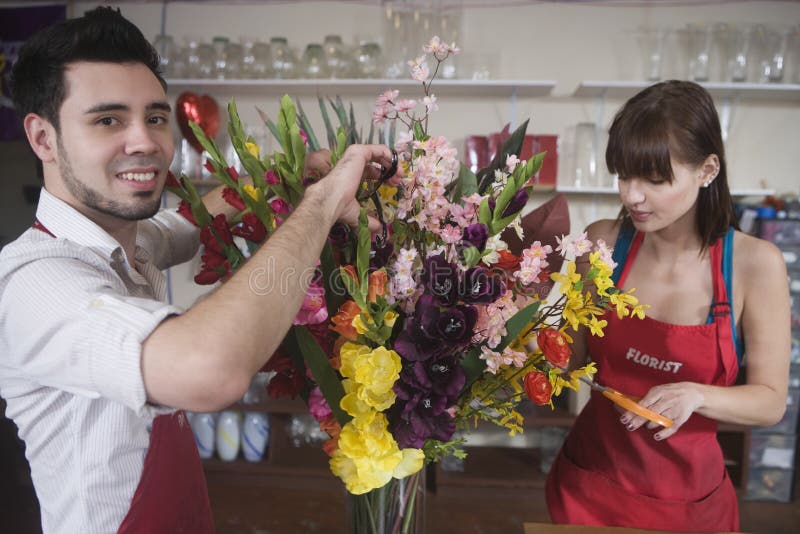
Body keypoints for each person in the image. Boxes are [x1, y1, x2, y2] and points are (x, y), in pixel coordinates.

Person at [0, 7, 394, 533]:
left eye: (156, 118)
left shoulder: (131, 240)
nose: (145, 142)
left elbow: (194, 218)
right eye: (108, 119)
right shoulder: (34, 282)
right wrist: (321, 205)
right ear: (43, 138)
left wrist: (292, 174)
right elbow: (208, 369)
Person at [545, 80, 791, 531]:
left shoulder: (756, 266)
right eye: (623, 175)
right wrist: (519, 324)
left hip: (691, 507)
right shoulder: (602, 244)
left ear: (707, 169)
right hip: (589, 489)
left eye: (655, 180)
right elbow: (571, 361)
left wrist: (696, 395)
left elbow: (772, 403)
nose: (631, 196)